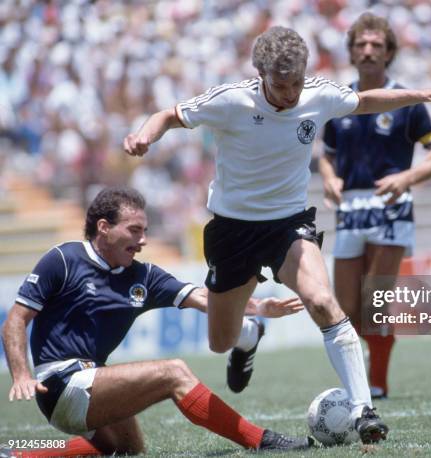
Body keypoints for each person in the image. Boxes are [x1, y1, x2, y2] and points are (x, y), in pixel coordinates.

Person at [124, 25, 431, 443]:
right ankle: (251, 335)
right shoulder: (231, 100)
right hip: (231, 229)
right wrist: (146, 134)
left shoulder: (317, 94)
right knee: (221, 340)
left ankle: (364, 411)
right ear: (261, 75)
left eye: (296, 84)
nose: (290, 95)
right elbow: (169, 115)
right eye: (280, 85)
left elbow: (364, 101)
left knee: (323, 300)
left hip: (288, 224)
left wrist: (426, 93)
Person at [1, 187, 312, 457]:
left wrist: (255, 307)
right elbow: (16, 319)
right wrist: (20, 375)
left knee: (128, 450)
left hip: (92, 381)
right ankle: (262, 440)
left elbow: (205, 298)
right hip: (60, 383)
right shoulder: (64, 259)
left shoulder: (145, 276)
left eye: (145, 231)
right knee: (173, 372)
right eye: (135, 230)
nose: (144, 240)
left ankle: (21, 453)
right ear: (104, 227)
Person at [318, 13, 431, 399]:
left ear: (389, 52)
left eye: (376, 45)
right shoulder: (338, 101)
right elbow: (325, 155)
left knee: (374, 299)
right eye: (361, 44)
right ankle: (358, 381)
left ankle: (376, 383)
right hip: (350, 208)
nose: (368, 51)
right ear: (351, 51)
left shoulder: (408, 102)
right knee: (343, 307)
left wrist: (406, 178)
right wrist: (329, 178)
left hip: (391, 206)